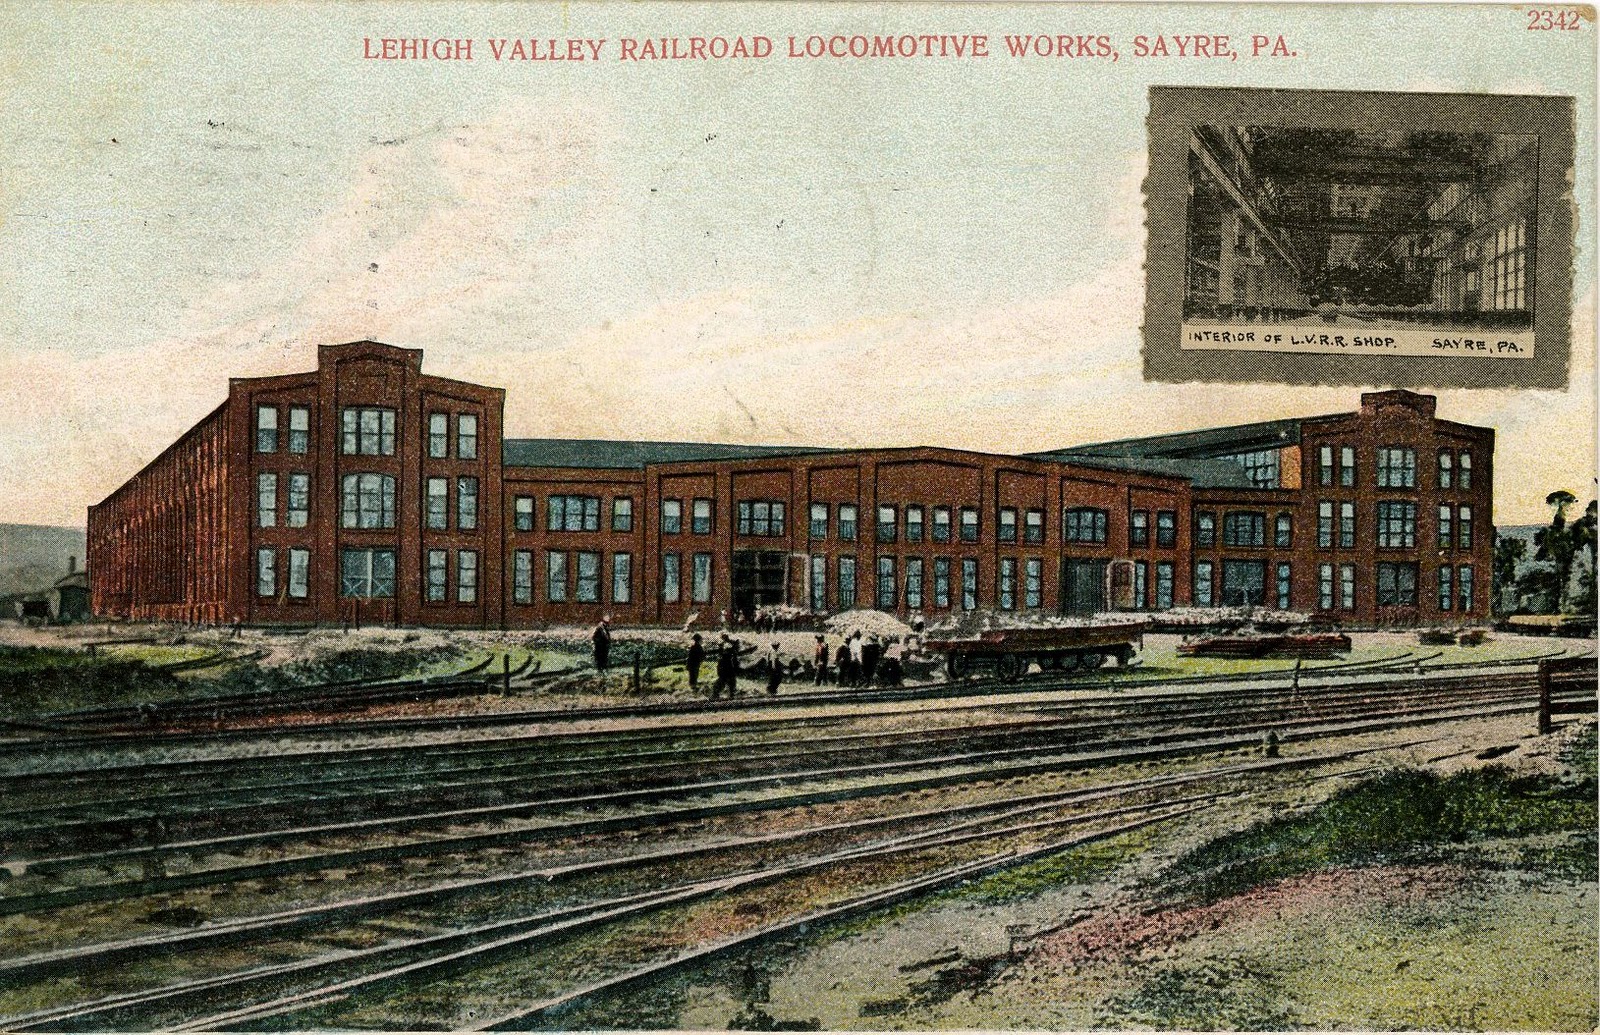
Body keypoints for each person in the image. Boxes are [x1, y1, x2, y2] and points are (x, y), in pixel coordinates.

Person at [714, 633, 738, 699]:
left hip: (726, 666)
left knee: (728, 681)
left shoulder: (725, 646)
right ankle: (717, 694)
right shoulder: (724, 646)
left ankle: (730, 695)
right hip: (725, 666)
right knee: (726, 681)